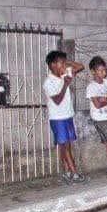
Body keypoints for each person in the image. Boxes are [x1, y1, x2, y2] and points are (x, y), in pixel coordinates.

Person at [43, 51, 87, 184]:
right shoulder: (48, 82)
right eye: (60, 63)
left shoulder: (64, 74)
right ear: (52, 65)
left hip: (68, 115)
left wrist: (66, 62)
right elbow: (57, 100)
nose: (64, 66)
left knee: (65, 145)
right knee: (65, 146)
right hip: (58, 118)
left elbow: (80, 66)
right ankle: (74, 173)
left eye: (64, 63)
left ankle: (68, 172)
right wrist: (66, 84)